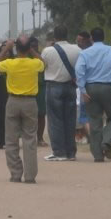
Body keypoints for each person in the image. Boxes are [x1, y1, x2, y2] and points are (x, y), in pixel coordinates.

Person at [0, 36, 45, 184]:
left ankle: (15, 173)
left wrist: (6, 48)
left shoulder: (10, 63)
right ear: (29, 48)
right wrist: (32, 50)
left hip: (13, 101)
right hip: (30, 101)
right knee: (30, 139)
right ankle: (30, 176)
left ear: (16, 48)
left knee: (11, 139)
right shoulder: (34, 64)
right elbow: (44, 63)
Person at [75, 27, 111, 162]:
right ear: (104, 37)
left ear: (91, 38)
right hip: (108, 87)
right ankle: (107, 141)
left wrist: (82, 90)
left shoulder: (84, 53)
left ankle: (98, 155)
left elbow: (79, 71)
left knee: (94, 121)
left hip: (90, 88)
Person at [41, 25, 80, 161]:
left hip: (54, 85)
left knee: (55, 120)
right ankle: (71, 152)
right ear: (67, 34)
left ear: (54, 36)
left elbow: (42, 66)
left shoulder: (48, 50)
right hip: (71, 86)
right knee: (70, 119)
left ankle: (59, 152)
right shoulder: (77, 49)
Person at [30, 36, 48, 147]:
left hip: (40, 87)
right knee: (28, 115)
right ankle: (30, 139)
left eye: (35, 46)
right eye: (31, 46)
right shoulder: (24, 56)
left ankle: (40, 138)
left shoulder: (41, 56)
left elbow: (45, 65)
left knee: (41, 114)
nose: (34, 48)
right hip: (28, 88)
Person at [75, 31, 92, 143]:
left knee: (85, 116)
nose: (78, 42)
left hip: (85, 87)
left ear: (86, 40)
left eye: (80, 40)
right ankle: (90, 137)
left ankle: (93, 138)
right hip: (92, 86)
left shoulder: (83, 53)